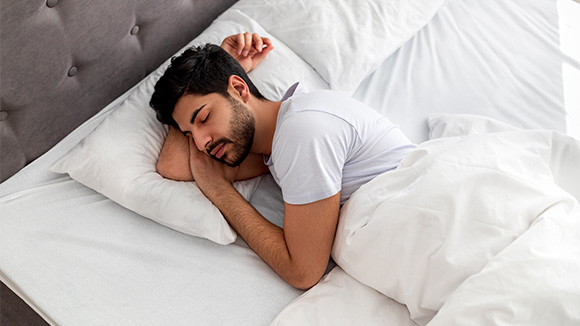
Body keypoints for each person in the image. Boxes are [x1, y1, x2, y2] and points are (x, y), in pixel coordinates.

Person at [150, 33, 416, 290]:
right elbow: (173, 167)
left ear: (240, 89)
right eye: (188, 134)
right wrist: (217, 71)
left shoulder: (302, 130)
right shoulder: (273, 147)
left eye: (204, 117)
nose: (200, 143)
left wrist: (220, 192)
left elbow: (303, 272)